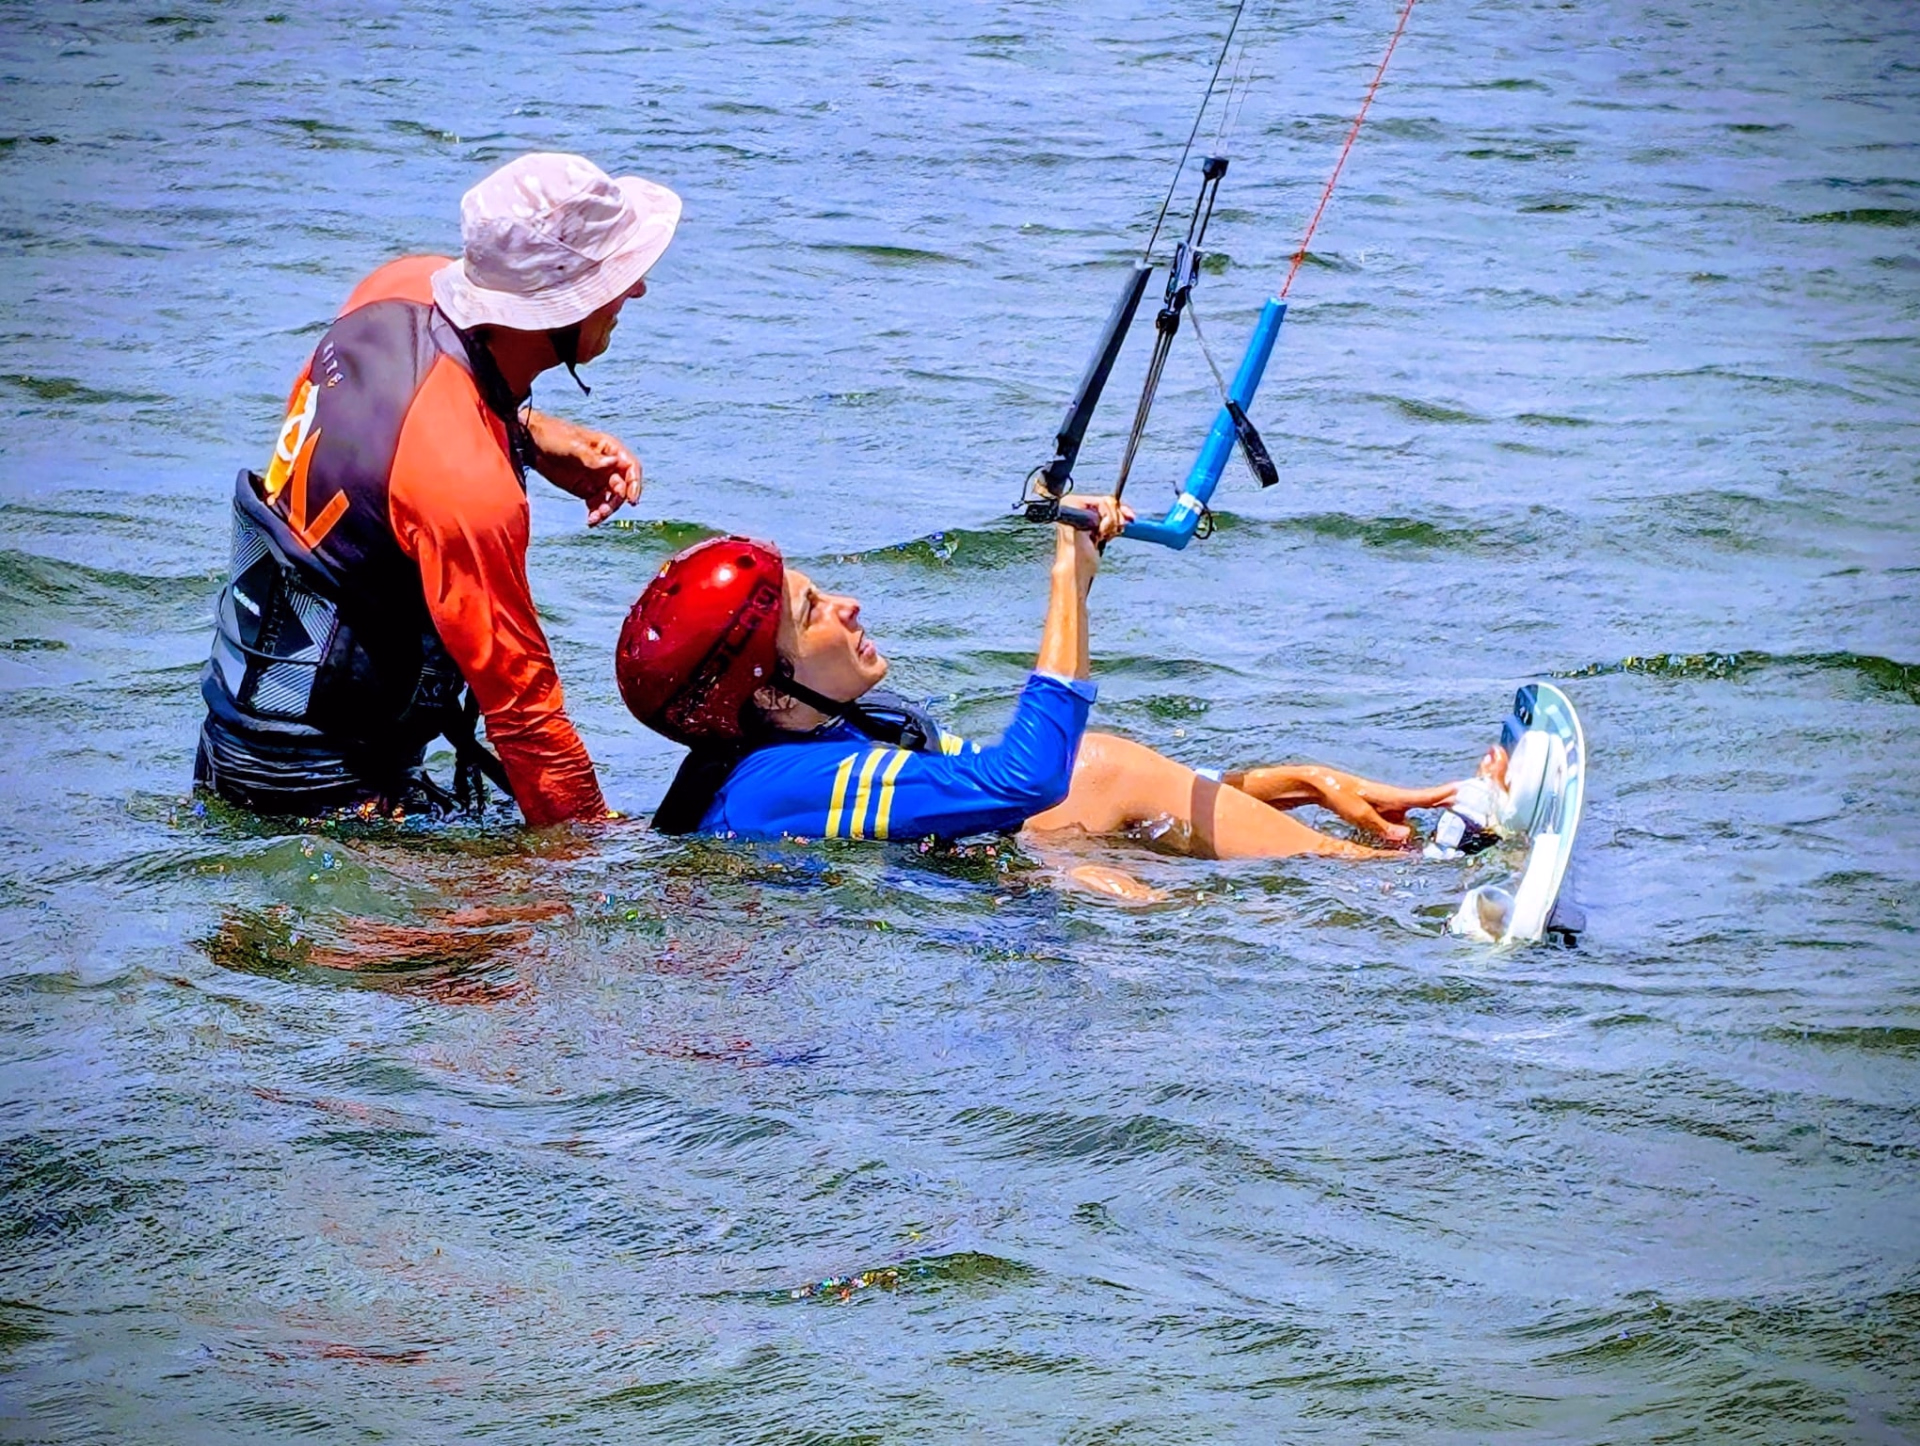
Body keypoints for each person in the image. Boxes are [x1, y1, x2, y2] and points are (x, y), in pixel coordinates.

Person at [196, 152, 680, 825]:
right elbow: (524, 716)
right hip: (321, 792)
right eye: (618, 276)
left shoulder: (400, 287)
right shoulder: (467, 488)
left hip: (236, 732)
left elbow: (389, 433)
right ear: (554, 306)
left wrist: (530, 437)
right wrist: (603, 859)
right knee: (507, 927)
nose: (636, 292)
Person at [615, 500, 1456, 858]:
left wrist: (1296, 783)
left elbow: (1030, 802)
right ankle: (1414, 893)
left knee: (1103, 798)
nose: (849, 604)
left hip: (986, 888)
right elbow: (1029, 778)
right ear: (768, 692)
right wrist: (1069, 577)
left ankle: (1397, 861)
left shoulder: (831, 734)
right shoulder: (786, 782)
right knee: (1106, 805)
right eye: (812, 612)